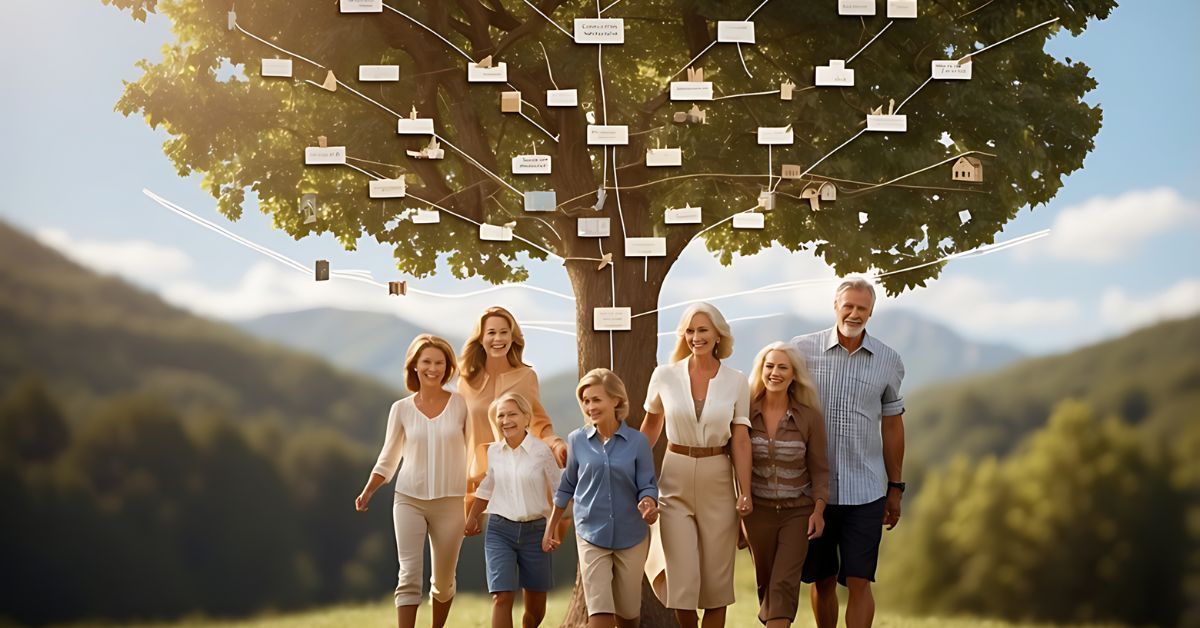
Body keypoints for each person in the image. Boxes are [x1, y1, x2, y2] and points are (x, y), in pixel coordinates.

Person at [792, 278, 906, 628]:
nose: (855, 314)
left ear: (871, 312)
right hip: (814, 491)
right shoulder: (801, 351)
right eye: (849, 306)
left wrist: (895, 488)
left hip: (867, 490)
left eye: (863, 308)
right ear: (836, 306)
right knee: (822, 580)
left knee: (860, 580)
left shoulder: (889, 360)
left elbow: (892, 426)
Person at [639, 302, 752, 628]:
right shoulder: (664, 375)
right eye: (690, 330)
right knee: (681, 581)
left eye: (703, 330)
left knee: (717, 582)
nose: (695, 336)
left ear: (718, 335)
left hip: (719, 476)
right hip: (674, 476)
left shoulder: (736, 380)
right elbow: (650, 427)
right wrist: (623, 464)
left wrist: (745, 492)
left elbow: (741, 439)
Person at [355, 334, 468, 628]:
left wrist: (478, 501)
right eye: (426, 362)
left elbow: (476, 454)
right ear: (415, 366)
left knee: (443, 582)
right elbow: (389, 456)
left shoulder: (461, 405)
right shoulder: (401, 409)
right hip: (408, 500)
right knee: (408, 575)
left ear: (448, 368)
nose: (433, 368)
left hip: (452, 502)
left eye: (439, 363)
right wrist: (369, 489)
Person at [544, 369, 659, 628]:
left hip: (632, 534)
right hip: (590, 533)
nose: (590, 406)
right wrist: (551, 527)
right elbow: (567, 486)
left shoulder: (638, 442)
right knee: (600, 612)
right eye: (585, 401)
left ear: (616, 400)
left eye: (596, 399)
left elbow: (647, 485)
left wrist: (649, 504)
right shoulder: (577, 441)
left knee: (628, 615)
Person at [742, 342, 830, 628]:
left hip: (797, 513)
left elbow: (819, 470)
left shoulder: (809, 417)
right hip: (757, 514)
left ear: (794, 375)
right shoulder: (744, 413)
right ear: (761, 370)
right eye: (769, 366)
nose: (775, 372)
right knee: (766, 584)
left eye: (783, 367)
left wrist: (818, 511)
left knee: (783, 584)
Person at [465, 392, 562, 628]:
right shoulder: (494, 452)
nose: (505, 420)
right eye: (500, 416)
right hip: (500, 530)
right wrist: (472, 516)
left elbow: (560, 491)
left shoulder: (541, 452)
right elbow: (488, 485)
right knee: (502, 595)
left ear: (526, 417)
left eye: (511, 414)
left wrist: (552, 529)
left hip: (536, 533)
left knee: (536, 608)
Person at [459, 306, 567, 513]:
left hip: (517, 479)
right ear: (480, 339)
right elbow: (458, 429)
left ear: (512, 337)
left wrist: (557, 445)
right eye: (491, 332)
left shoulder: (526, 377)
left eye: (504, 332)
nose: (498, 338)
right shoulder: (466, 382)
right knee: (470, 540)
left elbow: (539, 424)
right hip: (474, 480)